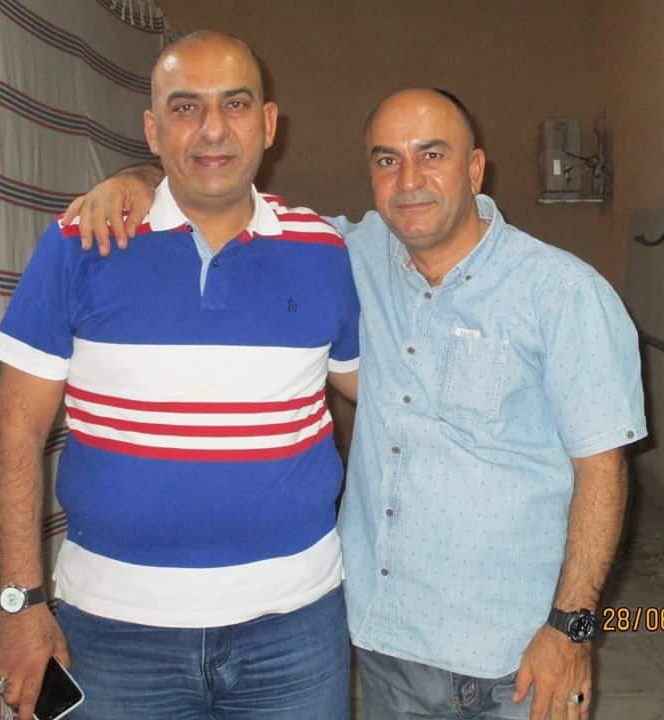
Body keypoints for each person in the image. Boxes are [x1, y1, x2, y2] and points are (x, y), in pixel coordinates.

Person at [64, 88, 646, 720]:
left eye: (432, 155)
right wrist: (140, 179)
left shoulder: (563, 293)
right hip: (385, 643)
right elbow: (227, 204)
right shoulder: (344, 255)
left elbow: (602, 472)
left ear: (475, 169)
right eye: (387, 160)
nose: (409, 179)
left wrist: (572, 629)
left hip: (515, 655)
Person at [0, 31, 359, 720]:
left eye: (235, 104)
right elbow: (14, 431)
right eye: (186, 107)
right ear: (153, 131)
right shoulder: (79, 242)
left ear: (268, 124)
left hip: (294, 631)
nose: (213, 129)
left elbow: (387, 395)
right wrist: (19, 604)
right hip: (111, 633)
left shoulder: (325, 252)